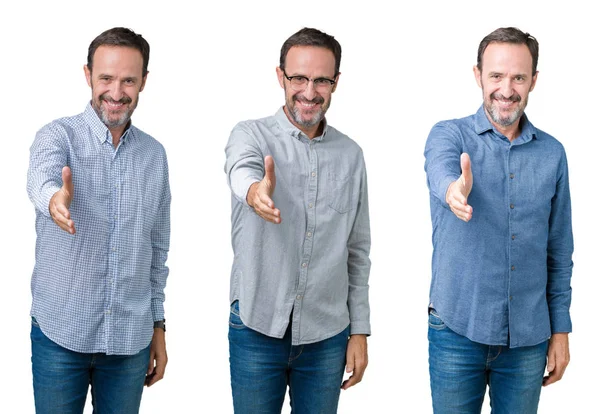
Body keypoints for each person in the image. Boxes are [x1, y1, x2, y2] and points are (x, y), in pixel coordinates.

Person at [424, 27, 573, 413]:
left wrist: (561, 330)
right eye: (496, 76)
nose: (506, 89)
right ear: (478, 76)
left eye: (518, 77)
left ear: (533, 81)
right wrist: (453, 191)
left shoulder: (553, 154)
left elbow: (559, 250)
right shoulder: (449, 135)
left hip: (528, 339)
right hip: (457, 331)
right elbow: (441, 173)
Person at [224, 27, 371, 413]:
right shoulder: (250, 135)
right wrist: (255, 192)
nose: (309, 91)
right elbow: (241, 169)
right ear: (280, 77)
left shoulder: (351, 155)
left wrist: (359, 330)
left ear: (336, 83)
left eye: (321, 79)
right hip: (257, 327)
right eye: (299, 78)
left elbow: (357, 250)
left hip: (327, 335)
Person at [26, 27, 170, 413]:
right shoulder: (57, 137)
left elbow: (157, 251)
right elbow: (41, 179)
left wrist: (159, 326)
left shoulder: (154, 156)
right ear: (88, 75)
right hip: (60, 337)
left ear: (143, 82)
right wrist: (54, 200)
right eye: (106, 78)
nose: (117, 91)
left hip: (129, 343)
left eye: (128, 80)